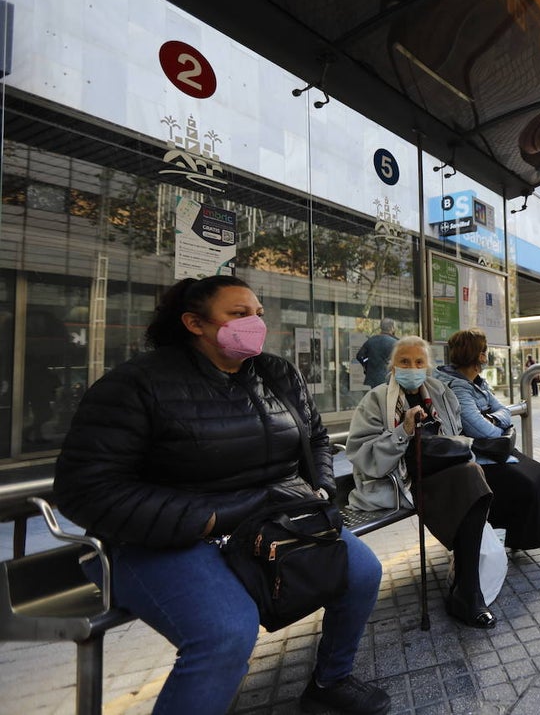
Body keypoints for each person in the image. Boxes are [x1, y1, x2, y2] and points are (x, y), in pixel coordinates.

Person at [53, 275, 389, 715]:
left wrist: (322, 486)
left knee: (362, 572)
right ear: (195, 322)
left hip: (274, 517)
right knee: (227, 631)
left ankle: (331, 681)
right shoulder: (137, 385)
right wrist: (204, 518)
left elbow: (318, 438)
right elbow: (86, 488)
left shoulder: (278, 373)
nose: (255, 323)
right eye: (239, 314)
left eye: (258, 314)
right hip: (170, 536)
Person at [345, 335, 497, 629]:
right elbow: (364, 458)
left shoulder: (441, 392)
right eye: (404, 361)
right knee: (471, 480)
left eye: (419, 362)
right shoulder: (375, 401)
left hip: (443, 472)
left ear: (428, 367)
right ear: (392, 367)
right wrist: (403, 430)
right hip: (399, 481)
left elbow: (455, 437)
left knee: (473, 478)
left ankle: (468, 590)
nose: (411, 368)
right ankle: (468, 592)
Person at [436, 329, 540, 550]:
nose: (486, 356)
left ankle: (521, 538)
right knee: (527, 483)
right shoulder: (458, 387)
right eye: (484, 351)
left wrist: (492, 418)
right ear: (478, 356)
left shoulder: (477, 382)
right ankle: (518, 538)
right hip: (475, 457)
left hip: (492, 451)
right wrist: (497, 424)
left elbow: (502, 410)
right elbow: (485, 431)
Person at [356, 318, 399, 389]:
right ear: (392, 328)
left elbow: (359, 356)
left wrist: (367, 365)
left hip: (373, 379)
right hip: (389, 378)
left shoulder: (371, 340)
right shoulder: (396, 342)